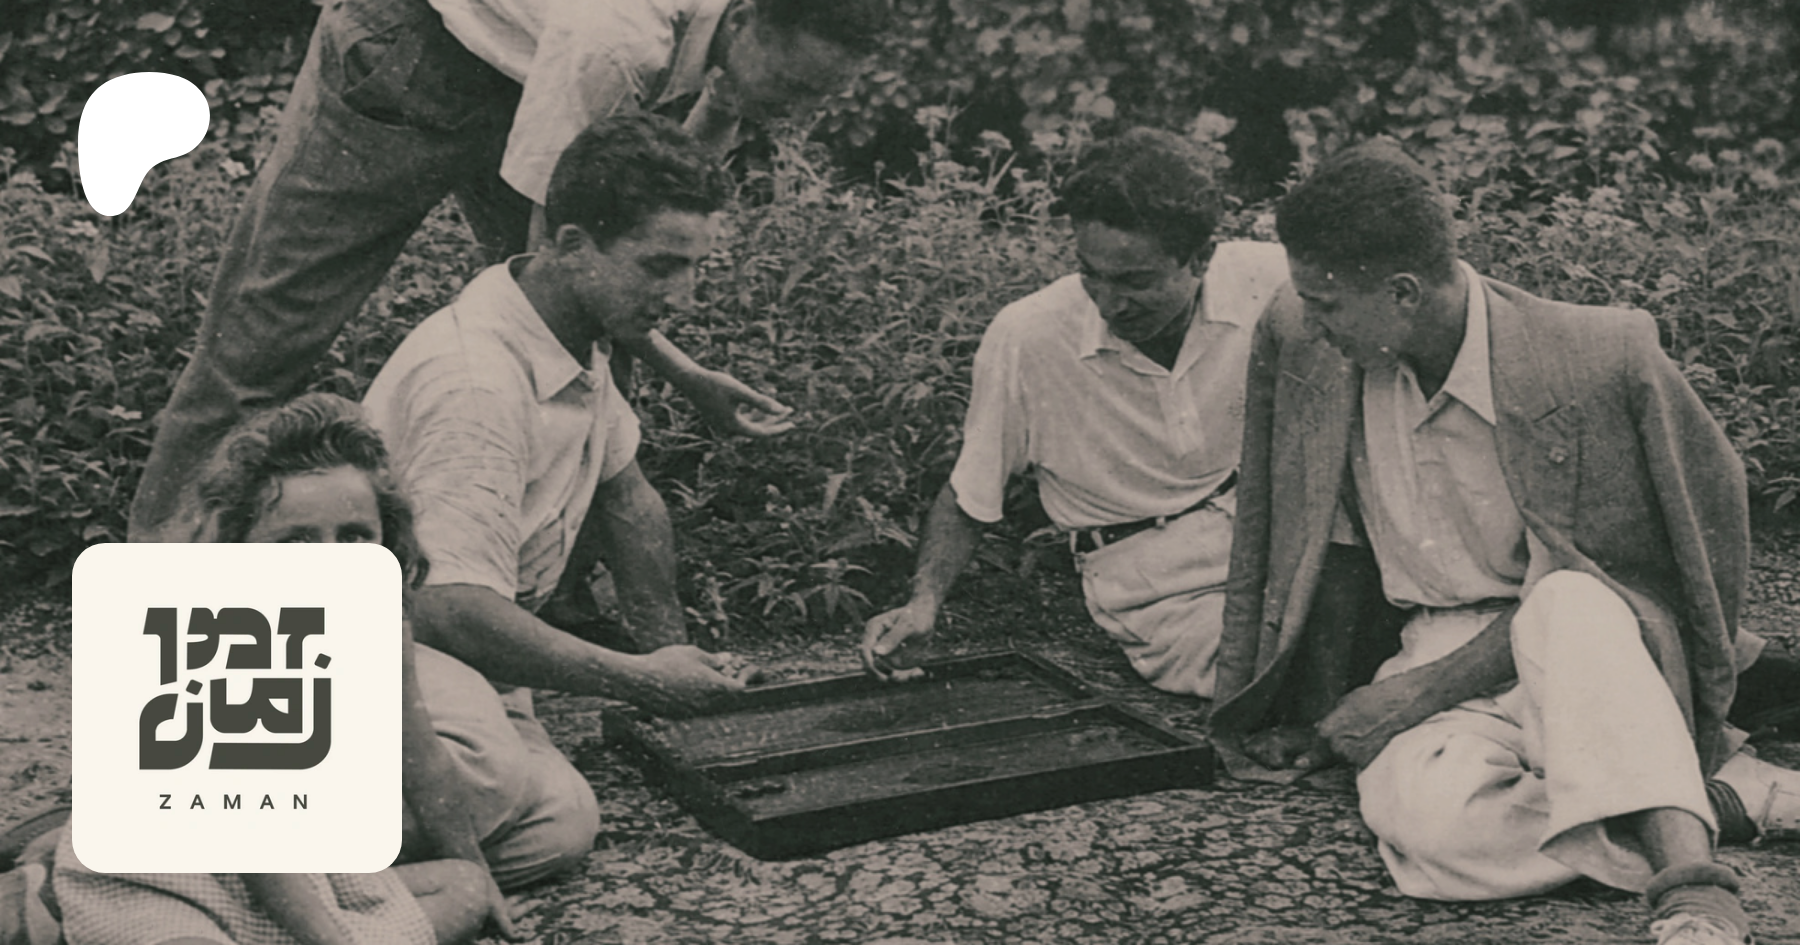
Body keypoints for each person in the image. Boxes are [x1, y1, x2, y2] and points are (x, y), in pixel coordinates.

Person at [1207, 141, 1799, 945]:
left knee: (1570, 600)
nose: (1310, 323)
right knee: (1434, 832)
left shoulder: (1595, 355)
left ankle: (1694, 893)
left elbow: (1697, 522)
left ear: (1404, 291)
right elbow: (1329, 549)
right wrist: (1324, 712)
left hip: (1594, 650)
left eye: (1328, 305)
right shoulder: (1315, 345)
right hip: (1434, 641)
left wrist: (1415, 697)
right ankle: (1719, 801)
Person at [126, 0, 892, 542]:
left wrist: (725, 104)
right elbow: (559, 276)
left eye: (818, 96)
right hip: (406, 48)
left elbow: (645, 217)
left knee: (592, 345)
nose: (795, 111)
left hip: (524, 67)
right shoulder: (618, 40)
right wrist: (687, 374)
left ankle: (542, 588)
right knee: (261, 340)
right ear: (746, 20)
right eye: (792, 88)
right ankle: (160, 586)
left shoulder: (725, 42)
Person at [360, 114, 755, 891]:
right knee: (489, 774)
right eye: (660, 266)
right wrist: (640, 678)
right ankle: (229, 864)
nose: (682, 295)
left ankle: (316, 883)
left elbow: (627, 495)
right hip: (375, 647)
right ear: (572, 244)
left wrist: (671, 659)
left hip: (453, 665)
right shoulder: (475, 380)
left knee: (561, 824)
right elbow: (449, 608)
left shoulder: (567, 328)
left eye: (694, 267)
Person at [39, 393, 522, 945]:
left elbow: (423, 761)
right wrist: (333, 939)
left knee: (464, 889)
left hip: (303, 873)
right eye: (297, 541)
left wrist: (477, 873)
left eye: (354, 536)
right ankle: (39, 903)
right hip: (165, 875)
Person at [861, 127, 1291, 698]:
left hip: (1274, 536)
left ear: (1200, 258)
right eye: (1091, 273)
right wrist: (923, 604)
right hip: (1153, 581)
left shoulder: (1271, 281)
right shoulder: (1029, 336)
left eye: (1135, 281)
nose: (1109, 303)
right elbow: (971, 492)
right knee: (1273, 667)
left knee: (1373, 630)